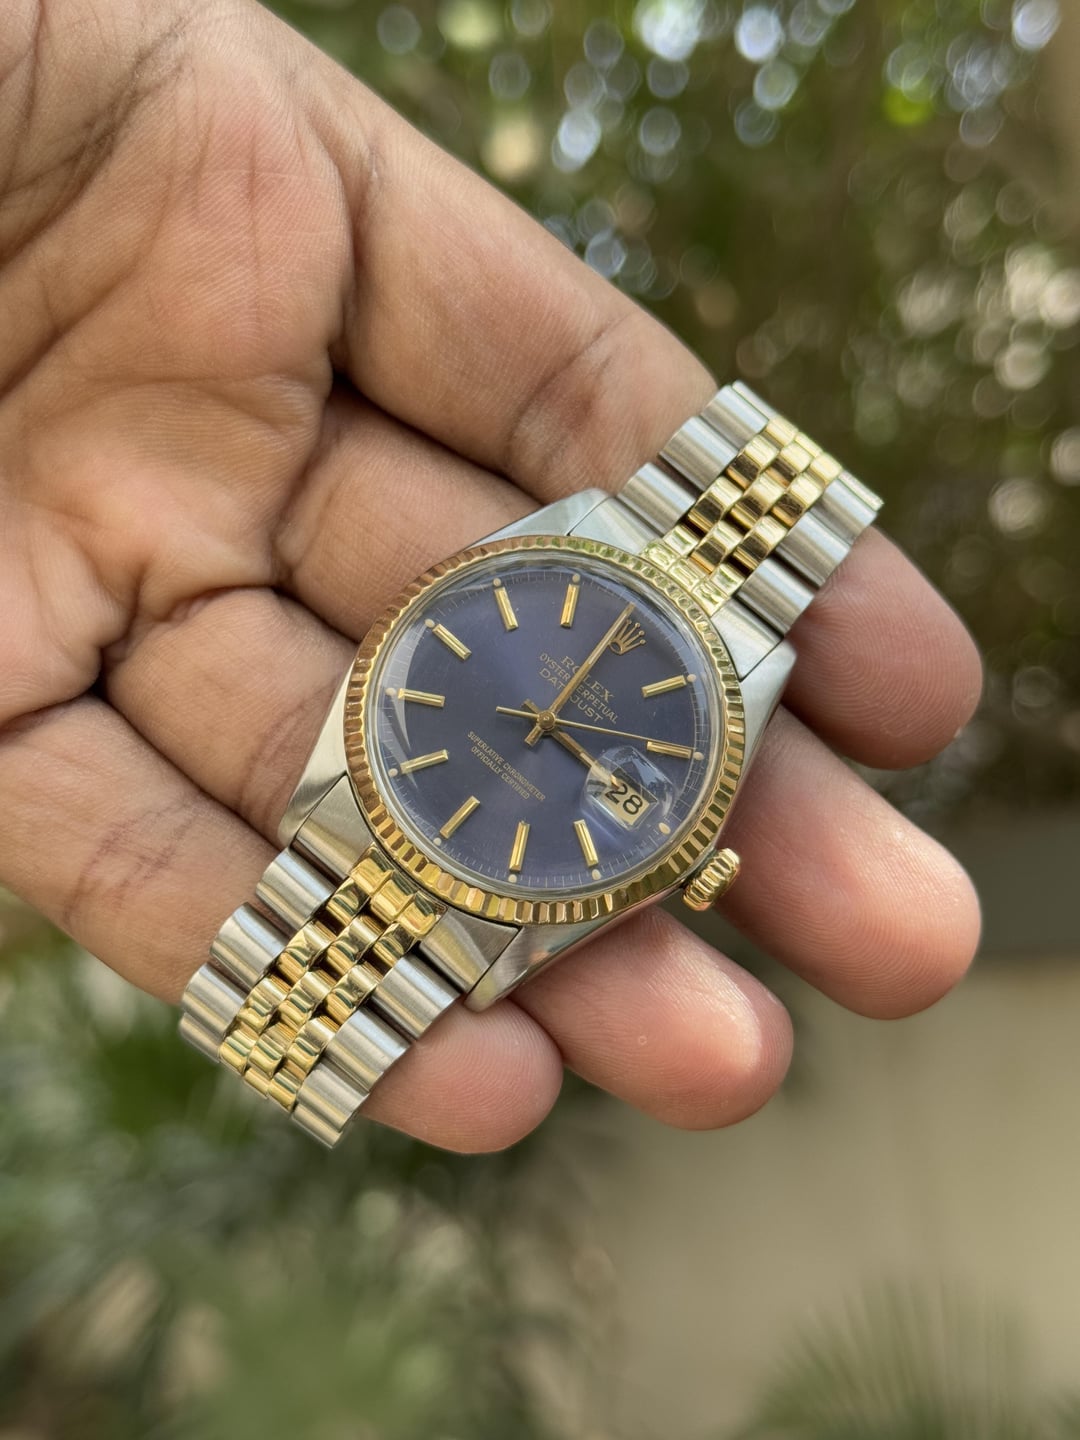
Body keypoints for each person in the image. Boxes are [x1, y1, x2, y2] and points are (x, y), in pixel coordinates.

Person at [0, 0, 982, 1152]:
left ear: (689, 855)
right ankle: (290, 1025)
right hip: (422, 777)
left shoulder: (650, 764)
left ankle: (288, 1031)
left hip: (479, 824)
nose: (547, 721)